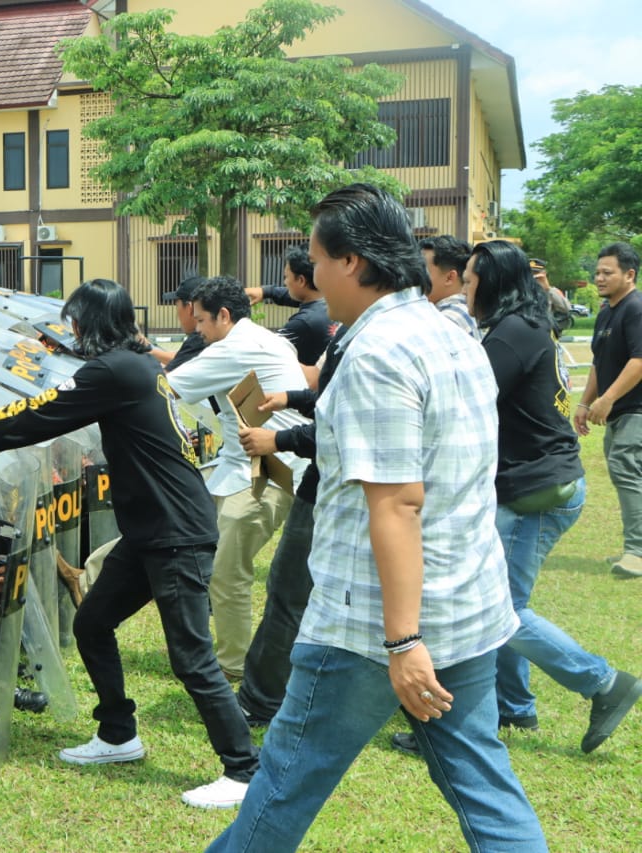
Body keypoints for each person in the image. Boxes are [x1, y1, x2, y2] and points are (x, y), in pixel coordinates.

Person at [206, 184, 546, 852]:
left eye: (315, 260)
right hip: (466, 608)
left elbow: (396, 502)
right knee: (483, 783)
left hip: (372, 629)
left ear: (354, 262)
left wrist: (401, 642)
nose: (311, 278)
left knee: (281, 788)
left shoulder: (378, 352)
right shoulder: (450, 333)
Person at [0, 278, 258, 810]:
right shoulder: (136, 364)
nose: (69, 329)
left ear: (90, 324)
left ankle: (244, 769)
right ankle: (118, 734)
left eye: (75, 320)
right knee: (92, 623)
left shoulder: (112, 371)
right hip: (152, 530)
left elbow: (39, 413)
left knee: (192, 658)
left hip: (174, 534)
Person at [392, 240, 640, 758]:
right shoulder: (518, 326)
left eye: (470, 278)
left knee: (498, 608)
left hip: (539, 491)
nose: (463, 287)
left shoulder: (512, 334)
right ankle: (515, 708)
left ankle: (603, 683)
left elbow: (460, 400)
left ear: (493, 281)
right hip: (532, 484)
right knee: (499, 600)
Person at [167, 277, 311, 680]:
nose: (197, 330)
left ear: (224, 316)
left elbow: (162, 389)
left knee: (228, 570)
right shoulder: (267, 339)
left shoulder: (233, 348)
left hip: (269, 473)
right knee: (182, 535)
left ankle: (233, 666)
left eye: (201, 321)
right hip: (247, 466)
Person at [233, 325, 346, 726]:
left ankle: (259, 700)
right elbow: (335, 404)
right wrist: (294, 398)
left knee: (288, 591)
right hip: (334, 486)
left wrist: (278, 440)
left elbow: (344, 425)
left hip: (331, 490)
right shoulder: (359, 331)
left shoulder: (374, 338)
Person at [575, 242, 642, 579]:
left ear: (629, 275)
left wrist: (609, 398)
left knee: (625, 469)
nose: (598, 277)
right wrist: (587, 402)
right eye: (597, 271)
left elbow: (640, 360)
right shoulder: (606, 312)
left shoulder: (636, 308)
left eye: (606, 272)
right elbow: (599, 364)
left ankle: (637, 552)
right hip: (618, 410)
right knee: (628, 475)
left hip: (636, 410)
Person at [244, 246, 335, 365]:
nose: (285, 282)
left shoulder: (303, 323)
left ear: (301, 280)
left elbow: (263, 350)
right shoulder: (330, 300)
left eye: (286, 277)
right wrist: (266, 291)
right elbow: (293, 295)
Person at [420, 235, 480, 340]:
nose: (417, 277)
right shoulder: (466, 311)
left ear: (449, 277)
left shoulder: (449, 320)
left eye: (423, 270)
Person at [147, 275, 208, 370]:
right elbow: (182, 357)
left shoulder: (200, 338)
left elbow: (164, 379)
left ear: (189, 308)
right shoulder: (214, 335)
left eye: (177, 306)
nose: (177, 315)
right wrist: (149, 350)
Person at [529, 257, 573, 337]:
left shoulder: (552, 291)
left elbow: (566, 308)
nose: (534, 276)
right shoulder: (520, 290)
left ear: (544, 274)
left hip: (545, 332)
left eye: (536, 273)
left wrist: (548, 289)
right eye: (531, 273)